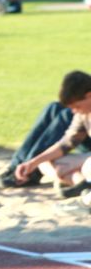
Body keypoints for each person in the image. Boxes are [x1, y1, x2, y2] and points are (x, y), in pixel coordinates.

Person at [15, 71, 91, 199]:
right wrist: (32, 163)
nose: (74, 111)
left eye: (77, 106)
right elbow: (66, 143)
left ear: (89, 95)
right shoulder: (83, 114)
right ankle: (80, 182)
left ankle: (81, 183)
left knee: (87, 167)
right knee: (44, 164)